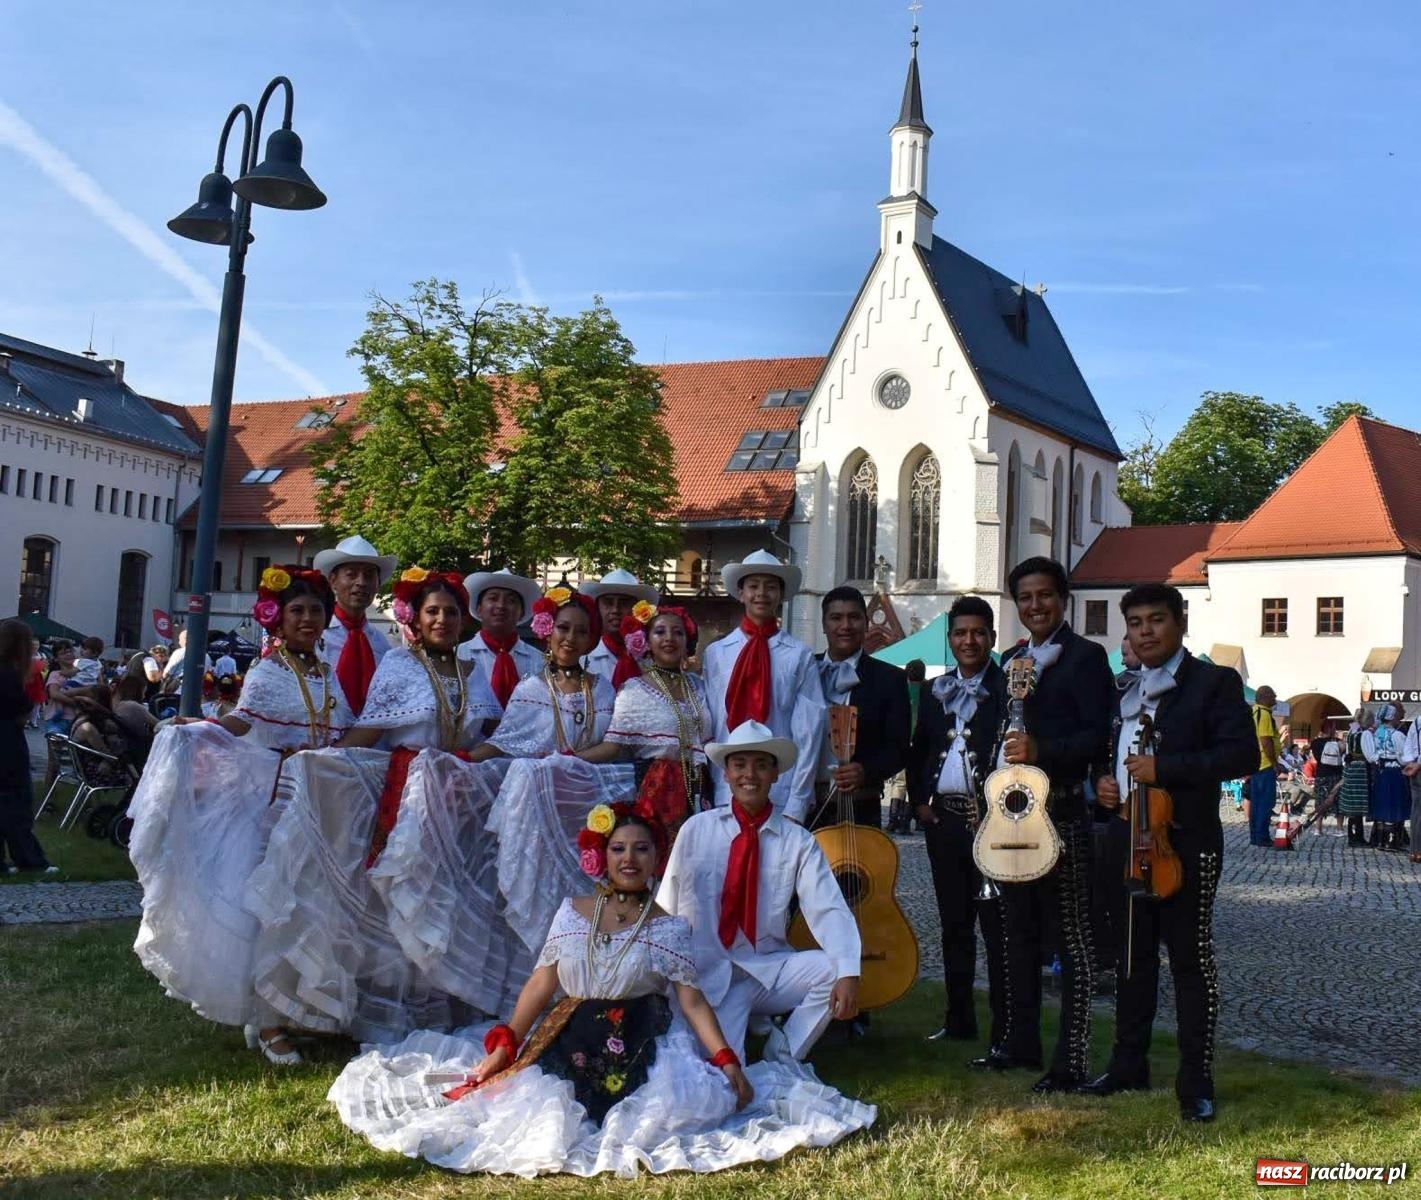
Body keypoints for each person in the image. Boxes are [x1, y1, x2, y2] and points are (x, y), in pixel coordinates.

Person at [329, 803, 874, 1177]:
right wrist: (506, 1042)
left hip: (644, 1040)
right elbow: (543, 981)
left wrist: (727, 1060)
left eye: (641, 849)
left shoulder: (669, 928)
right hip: (570, 1033)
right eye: (618, 849)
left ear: (655, 860)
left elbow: (691, 1000)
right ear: (602, 856)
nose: (630, 859)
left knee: (669, 1113)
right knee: (535, 1116)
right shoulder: (573, 913)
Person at [249, 568, 506, 1043]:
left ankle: (434, 1008)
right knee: (399, 899)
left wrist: (483, 760)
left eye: (451, 612)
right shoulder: (400, 665)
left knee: (448, 899)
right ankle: (363, 1010)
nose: (442, 620)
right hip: (406, 797)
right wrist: (322, 764)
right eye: (432, 611)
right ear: (415, 618)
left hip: (458, 800)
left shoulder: (473, 672)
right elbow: (369, 730)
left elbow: (494, 735)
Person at [128, 565, 355, 1064]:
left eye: (316, 610)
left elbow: (336, 730)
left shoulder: (325, 671)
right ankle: (266, 1021)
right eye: (297, 610)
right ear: (278, 618)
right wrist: (195, 729)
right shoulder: (269, 672)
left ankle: (284, 1007)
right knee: (265, 912)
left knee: (302, 908)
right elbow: (241, 722)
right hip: (273, 805)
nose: (308, 619)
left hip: (315, 805)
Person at [1082, 584, 1257, 1123]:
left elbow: (1242, 755)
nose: (1145, 632)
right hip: (1125, 835)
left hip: (1184, 840)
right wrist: (1102, 782)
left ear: (1180, 622)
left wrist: (1166, 769)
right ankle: (1128, 1064)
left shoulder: (1213, 682)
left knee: (1189, 960)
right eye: (1135, 623)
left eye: (1156, 620)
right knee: (1131, 957)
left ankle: (1195, 1081)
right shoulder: (1124, 687)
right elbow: (1108, 753)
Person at [975, 556, 1113, 1095]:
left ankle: (1070, 1059)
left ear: (1063, 599)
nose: (1035, 605)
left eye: (1045, 595)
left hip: (1063, 813)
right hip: (1012, 818)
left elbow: (1097, 737)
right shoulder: (1011, 659)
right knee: (1018, 934)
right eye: (1026, 598)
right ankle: (1019, 1043)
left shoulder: (1087, 658)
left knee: (1072, 938)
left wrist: (1043, 751)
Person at [658, 720, 861, 1064]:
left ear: (775, 774)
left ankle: (781, 1056)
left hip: (767, 969)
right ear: (726, 774)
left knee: (834, 969)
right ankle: (742, 1032)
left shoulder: (797, 841)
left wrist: (849, 970)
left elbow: (827, 905)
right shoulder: (696, 830)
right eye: (739, 765)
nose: (749, 775)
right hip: (709, 974)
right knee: (719, 1075)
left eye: (761, 765)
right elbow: (668, 903)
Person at [906, 595, 1007, 1045]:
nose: (969, 641)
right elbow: (919, 750)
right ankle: (959, 1020)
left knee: (998, 928)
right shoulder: (935, 690)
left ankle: (1006, 1026)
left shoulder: (1009, 689)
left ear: (992, 637)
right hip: (944, 821)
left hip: (993, 824)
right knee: (954, 924)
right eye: (961, 633)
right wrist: (919, 803)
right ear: (950, 639)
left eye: (978, 633)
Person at [701, 550, 824, 823]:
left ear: (780, 595)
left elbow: (809, 731)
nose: (761, 594)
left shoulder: (798, 655)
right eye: (753, 586)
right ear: (741, 593)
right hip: (725, 789)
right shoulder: (717, 653)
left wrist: (798, 801)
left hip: (780, 789)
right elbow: (711, 723)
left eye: (770, 587)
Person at [584, 603, 712, 841]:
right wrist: (571, 758)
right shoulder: (635, 689)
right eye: (660, 632)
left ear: (687, 641)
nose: (669, 638)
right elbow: (613, 746)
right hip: (657, 787)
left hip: (700, 783)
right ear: (647, 641)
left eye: (678, 632)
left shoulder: (699, 686)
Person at [810, 585, 910, 831]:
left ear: (866, 623)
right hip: (805, 808)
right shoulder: (803, 670)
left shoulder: (890, 679)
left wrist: (866, 771)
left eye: (854, 617)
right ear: (823, 625)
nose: (845, 625)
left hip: (861, 808)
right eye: (836, 618)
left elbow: (899, 749)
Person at [313, 534, 398, 717]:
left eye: (369, 575)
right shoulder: (315, 636)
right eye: (351, 574)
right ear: (333, 580)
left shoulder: (382, 644)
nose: (361, 582)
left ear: (378, 584)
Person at [0, 619, 56, 876]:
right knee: (15, 802)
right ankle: (29, 859)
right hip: (7, 741)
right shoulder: (10, 676)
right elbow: (22, 711)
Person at [458, 568, 545, 710]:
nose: (501, 605)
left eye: (511, 601)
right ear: (479, 608)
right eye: (493, 598)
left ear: (521, 612)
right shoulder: (459, 655)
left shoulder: (540, 661)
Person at [580, 568, 661, 689]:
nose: (615, 610)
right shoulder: (584, 658)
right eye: (608, 603)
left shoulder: (652, 658)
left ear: (637, 609)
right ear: (598, 608)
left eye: (624, 603)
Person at [1370, 704, 1409, 852]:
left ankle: (1381, 840)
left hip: (1381, 772)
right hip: (1394, 772)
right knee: (1394, 804)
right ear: (1392, 717)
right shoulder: (1398, 735)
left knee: (1383, 804)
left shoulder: (1377, 734)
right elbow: (1403, 756)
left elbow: (1373, 754)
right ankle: (1392, 842)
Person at [1247, 686, 1281, 847]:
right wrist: (1274, 762)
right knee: (1265, 803)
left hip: (1255, 763)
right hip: (1265, 764)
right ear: (1266, 696)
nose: (1275, 697)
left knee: (1256, 803)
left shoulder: (1254, 711)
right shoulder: (1264, 714)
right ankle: (1262, 836)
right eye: (1273, 695)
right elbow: (1266, 740)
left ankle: (1255, 836)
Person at [1340, 709, 1376, 846]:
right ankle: (1357, 838)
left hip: (1351, 768)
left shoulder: (1352, 731)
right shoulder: (1364, 734)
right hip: (1360, 770)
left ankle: (1353, 836)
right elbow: (1370, 755)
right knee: (1358, 804)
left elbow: (1348, 751)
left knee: (1352, 804)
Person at [1400, 713, 1421, 864]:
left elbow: (1408, 746)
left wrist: (1411, 762)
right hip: (1418, 766)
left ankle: (1415, 851)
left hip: (1415, 769)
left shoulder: (1417, 721)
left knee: (1416, 810)